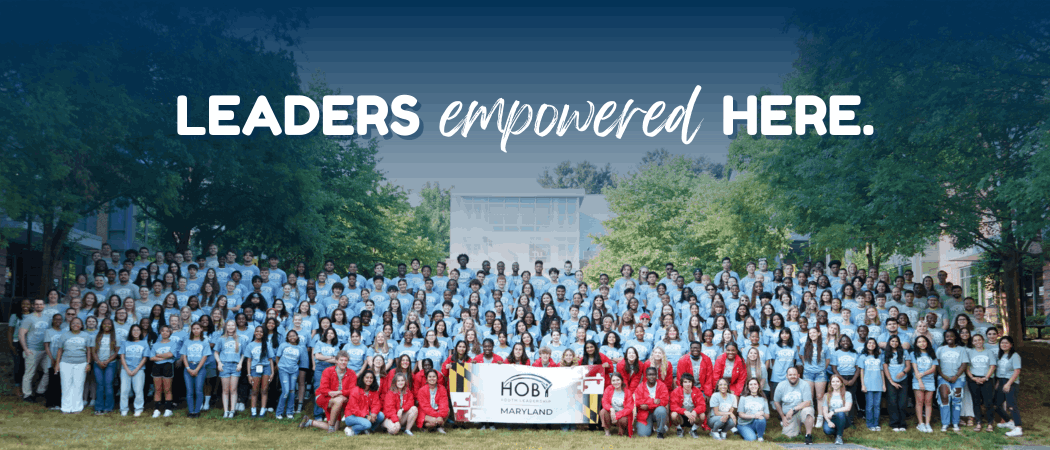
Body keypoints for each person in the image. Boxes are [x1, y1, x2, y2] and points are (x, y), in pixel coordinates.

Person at [301, 351, 357, 432]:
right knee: (340, 399)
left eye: (345, 360)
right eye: (341, 360)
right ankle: (331, 426)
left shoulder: (351, 373)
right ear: (336, 361)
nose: (343, 362)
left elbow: (353, 390)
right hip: (324, 397)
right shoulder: (328, 371)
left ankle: (309, 422)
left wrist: (339, 393)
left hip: (339, 399)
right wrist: (331, 393)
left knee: (336, 428)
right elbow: (323, 389)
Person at [54, 317, 92, 414]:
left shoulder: (86, 335)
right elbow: (60, 350)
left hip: (81, 363)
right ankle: (66, 408)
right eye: (73, 323)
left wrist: (88, 363)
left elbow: (89, 351)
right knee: (66, 385)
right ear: (70, 325)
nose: (75, 325)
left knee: (78, 385)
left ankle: (77, 408)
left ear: (82, 325)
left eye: (78, 323)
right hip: (66, 362)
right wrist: (57, 364)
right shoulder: (64, 335)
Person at [935, 329, 969, 432]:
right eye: (947, 336)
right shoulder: (940, 349)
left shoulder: (961, 349)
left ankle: (955, 423)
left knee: (957, 399)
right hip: (943, 378)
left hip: (959, 378)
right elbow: (937, 364)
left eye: (952, 336)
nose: (949, 338)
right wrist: (943, 376)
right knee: (945, 399)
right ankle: (945, 423)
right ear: (945, 338)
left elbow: (964, 364)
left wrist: (956, 376)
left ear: (955, 337)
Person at [774, 367, 816, 444]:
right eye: (790, 375)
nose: (792, 376)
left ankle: (808, 435)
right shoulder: (781, 385)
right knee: (788, 436)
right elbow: (776, 402)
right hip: (789, 415)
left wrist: (793, 409)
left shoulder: (804, 384)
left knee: (808, 410)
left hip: (801, 411)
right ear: (786, 376)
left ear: (798, 375)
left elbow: (808, 402)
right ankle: (797, 429)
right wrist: (783, 417)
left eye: (794, 374)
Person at [19, 298, 50, 402]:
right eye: (36, 304)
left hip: (45, 350)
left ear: (44, 306)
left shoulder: (47, 318)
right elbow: (21, 334)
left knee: (48, 370)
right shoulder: (28, 318)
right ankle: (27, 394)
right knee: (29, 373)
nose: (39, 306)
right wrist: (25, 349)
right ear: (33, 306)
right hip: (32, 350)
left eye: (41, 304)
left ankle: (40, 391)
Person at [965, 333, 997, 432]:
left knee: (988, 402)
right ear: (972, 342)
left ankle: (990, 423)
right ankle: (978, 422)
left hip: (986, 379)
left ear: (983, 341)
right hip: (974, 379)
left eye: (979, 340)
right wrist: (973, 378)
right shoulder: (970, 352)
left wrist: (986, 378)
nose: (977, 342)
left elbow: (992, 366)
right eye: (975, 340)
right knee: (976, 402)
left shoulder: (989, 352)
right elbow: (967, 367)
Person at [214, 320, 245, 418]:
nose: (231, 327)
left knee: (234, 389)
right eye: (229, 325)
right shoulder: (221, 339)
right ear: (226, 327)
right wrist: (219, 362)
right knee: (225, 390)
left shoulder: (240, 339)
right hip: (225, 365)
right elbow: (216, 352)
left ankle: (232, 410)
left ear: (235, 327)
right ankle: (226, 411)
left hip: (235, 366)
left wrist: (240, 363)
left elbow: (243, 353)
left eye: (233, 325)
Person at [89, 318, 119, 415]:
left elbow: (116, 352)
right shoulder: (96, 336)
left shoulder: (115, 336)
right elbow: (93, 351)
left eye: (109, 324)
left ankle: (108, 407)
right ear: (101, 325)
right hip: (98, 364)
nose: (107, 325)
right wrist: (98, 361)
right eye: (105, 324)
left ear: (112, 325)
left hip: (110, 363)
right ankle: (98, 407)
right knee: (100, 385)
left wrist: (107, 361)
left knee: (108, 385)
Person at [275, 330, 308, 419]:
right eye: (290, 336)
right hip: (283, 370)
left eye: (294, 336)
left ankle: (289, 412)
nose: (292, 337)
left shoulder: (300, 348)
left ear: (297, 337)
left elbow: (300, 360)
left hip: (294, 371)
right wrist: (279, 367)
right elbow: (277, 357)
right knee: (285, 391)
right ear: (287, 338)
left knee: (292, 391)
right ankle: (279, 412)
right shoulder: (283, 345)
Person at [994, 336, 1022, 437]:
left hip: (1011, 382)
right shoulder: (1001, 356)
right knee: (996, 404)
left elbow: (1017, 371)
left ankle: (1018, 428)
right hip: (1001, 381)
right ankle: (1010, 422)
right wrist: (998, 382)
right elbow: (999, 371)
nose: (1004, 345)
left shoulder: (1015, 356)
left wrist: (1008, 384)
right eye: (1002, 343)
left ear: (1011, 345)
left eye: (1006, 343)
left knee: (1011, 405)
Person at [118, 325, 149, 416]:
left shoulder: (144, 343)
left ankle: (138, 408)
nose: (136, 332)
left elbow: (145, 358)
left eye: (138, 330)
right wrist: (127, 369)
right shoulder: (125, 343)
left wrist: (136, 369)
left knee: (138, 390)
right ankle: (124, 408)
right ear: (131, 332)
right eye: (134, 330)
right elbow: (122, 356)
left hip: (138, 370)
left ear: (140, 332)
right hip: (125, 370)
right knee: (124, 390)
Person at [882, 334, 911, 432]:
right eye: (892, 341)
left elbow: (908, 366)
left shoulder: (904, 352)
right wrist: (891, 381)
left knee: (902, 402)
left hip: (903, 379)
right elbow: (885, 368)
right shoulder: (885, 353)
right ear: (889, 342)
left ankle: (902, 423)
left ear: (899, 343)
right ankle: (894, 423)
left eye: (896, 341)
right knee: (892, 402)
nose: (894, 343)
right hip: (891, 380)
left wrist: (903, 373)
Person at [243, 325, 273, 418]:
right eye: (257, 331)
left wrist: (272, 372)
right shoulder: (250, 345)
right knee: (254, 390)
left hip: (266, 368)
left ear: (264, 334)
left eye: (261, 332)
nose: (259, 333)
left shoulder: (267, 344)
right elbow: (248, 360)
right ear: (254, 333)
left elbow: (270, 359)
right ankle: (253, 410)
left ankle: (263, 410)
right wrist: (248, 374)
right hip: (254, 369)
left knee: (264, 390)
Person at [148, 325, 178, 418]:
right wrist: (164, 357)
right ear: (160, 332)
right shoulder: (156, 344)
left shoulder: (173, 343)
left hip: (167, 366)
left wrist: (159, 355)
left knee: (167, 389)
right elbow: (151, 357)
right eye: (163, 331)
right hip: (156, 367)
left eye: (167, 331)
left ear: (170, 333)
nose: (165, 333)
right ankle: (156, 409)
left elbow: (171, 354)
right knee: (157, 389)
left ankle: (168, 409)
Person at [343, 370, 384, 436]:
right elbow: (354, 409)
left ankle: (368, 429)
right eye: (367, 377)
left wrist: (373, 413)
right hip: (351, 416)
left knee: (381, 415)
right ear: (363, 378)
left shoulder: (374, 391)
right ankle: (351, 428)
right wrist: (366, 416)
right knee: (367, 424)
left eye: (371, 378)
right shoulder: (355, 390)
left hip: (366, 414)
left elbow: (376, 404)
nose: (369, 379)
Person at [856, 338, 885, 431]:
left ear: (876, 345)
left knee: (877, 405)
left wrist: (884, 384)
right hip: (868, 384)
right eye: (869, 343)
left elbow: (882, 371)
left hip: (878, 384)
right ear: (866, 344)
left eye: (873, 343)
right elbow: (861, 371)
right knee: (869, 405)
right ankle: (870, 424)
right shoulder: (862, 357)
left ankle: (876, 423)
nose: (871, 344)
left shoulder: (879, 357)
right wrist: (863, 385)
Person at [911, 335, 938, 433]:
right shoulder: (913, 354)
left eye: (924, 341)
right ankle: (920, 424)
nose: (922, 343)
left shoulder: (932, 353)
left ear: (927, 343)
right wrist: (920, 381)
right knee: (919, 402)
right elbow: (915, 370)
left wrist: (923, 374)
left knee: (928, 402)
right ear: (916, 344)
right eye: (919, 342)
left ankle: (927, 423)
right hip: (918, 381)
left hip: (930, 381)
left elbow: (933, 368)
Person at [634, 366, 670, 438]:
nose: (651, 376)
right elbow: (637, 401)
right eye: (649, 374)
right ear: (646, 376)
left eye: (653, 374)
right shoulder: (640, 387)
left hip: (656, 412)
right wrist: (654, 401)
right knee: (643, 434)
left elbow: (665, 401)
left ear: (656, 375)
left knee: (661, 410)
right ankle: (649, 427)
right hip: (644, 414)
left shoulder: (662, 386)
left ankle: (660, 432)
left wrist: (648, 405)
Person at [669, 373, 706, 439]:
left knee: (702, 415)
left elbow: (702, 405)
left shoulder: (697, 391)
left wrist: (695, 411)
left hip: (693, 417)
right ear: (682, 383)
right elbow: (673, 406)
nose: (687, 384)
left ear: (692, 382)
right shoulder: (676, 391)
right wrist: (684, 412)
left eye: (689, 381)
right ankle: (679, 429)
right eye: (685, 382)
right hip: (681, 417)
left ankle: (693, 429)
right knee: (673, 415)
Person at [821, 374, 854, 445]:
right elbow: (825, 411)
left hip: (843, 418)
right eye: (833, 382)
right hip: (832, 418)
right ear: (830, 384)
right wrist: (828, 421)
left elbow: (847, 408)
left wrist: (833, 411)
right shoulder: (826, 395)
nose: (835, 383)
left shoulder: (847, 394)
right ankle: (838, 430)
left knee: (840, 413)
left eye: (837, 381)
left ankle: (839, 437)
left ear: (841, 383)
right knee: (827, 430)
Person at [600, 372, 634, 437]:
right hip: (611, 413)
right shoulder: (608, 389)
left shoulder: (627, 392)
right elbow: (604, 401)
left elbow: (629, 408)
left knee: (624, 420)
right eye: (613, 380)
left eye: (618, 380)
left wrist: (617, 415)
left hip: (622, 414)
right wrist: (611, 409)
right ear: (611, 381)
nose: (616, 382)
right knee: (603, 412)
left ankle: (622, 430)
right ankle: (607, 431)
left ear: (621, 381)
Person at [416, 369, 449, 434]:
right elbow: (425, 407)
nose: (432, 378)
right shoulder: (422, 390)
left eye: (434, 376)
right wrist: (437, 416)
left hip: (438, 411)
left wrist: (440, 415)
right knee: (431, 423)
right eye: (430, 377)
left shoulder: (442, 388)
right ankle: (428, 427)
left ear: (437, 378)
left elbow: (444, 404)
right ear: (427, 379)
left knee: (448, 411)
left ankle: (440, 426)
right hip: (426, 412)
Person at [737, 377, 770, 442]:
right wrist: (754, 416)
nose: (753, 386)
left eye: (755, 384)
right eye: (751, 384)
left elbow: (767, 416)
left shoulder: (763, 399)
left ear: (758, 386)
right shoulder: (743, 398)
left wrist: (762, 413)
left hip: (756, 423)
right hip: (744, 425)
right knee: (752, 439)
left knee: (761, 419)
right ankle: (749, 433)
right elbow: (740, 414)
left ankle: (760, 437)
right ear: (748, 386)